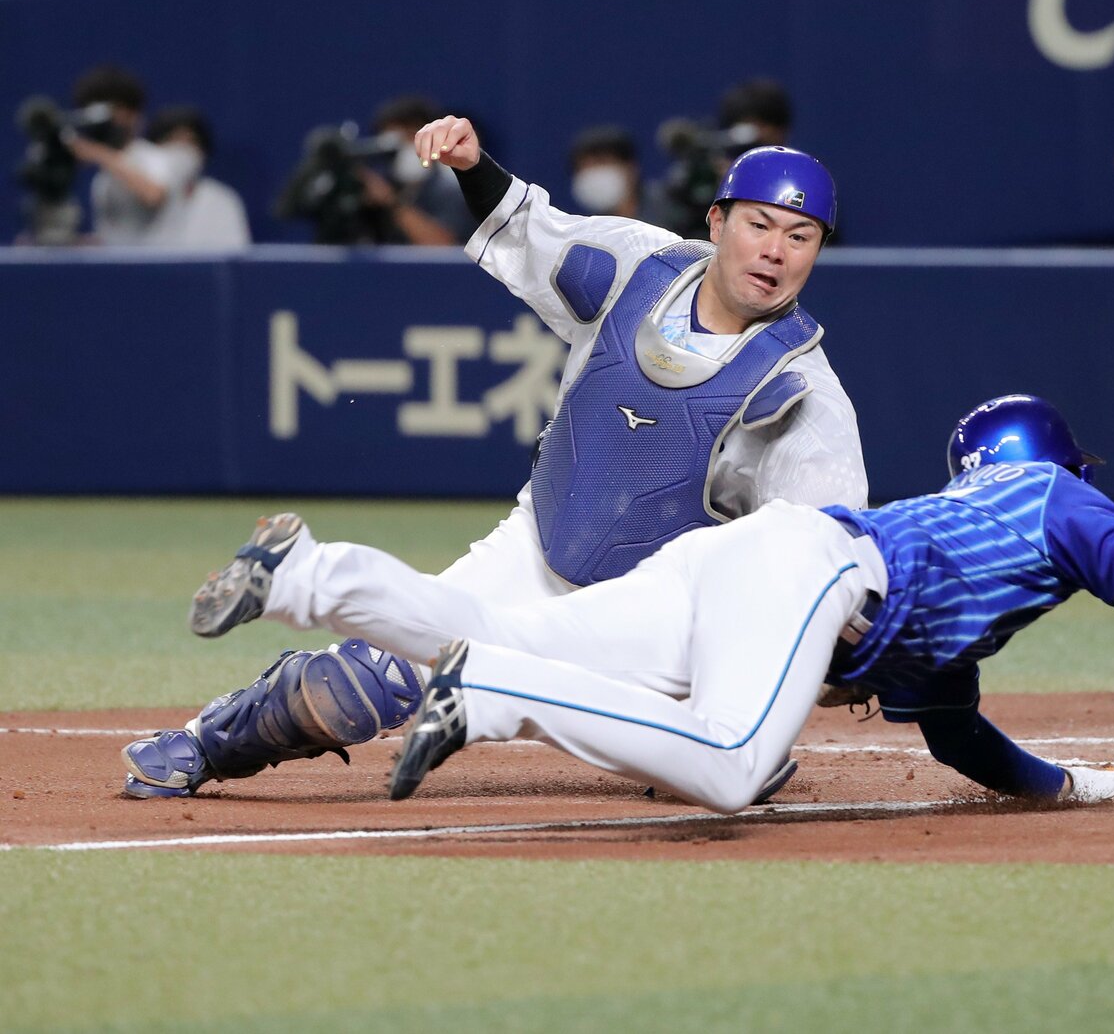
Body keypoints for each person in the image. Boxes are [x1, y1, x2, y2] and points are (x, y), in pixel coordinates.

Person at [120, 123, 867, 800]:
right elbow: (530, 229)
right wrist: (472, 165)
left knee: (714, 772)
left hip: (651, 625)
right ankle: (202, 743)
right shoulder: (637, 267)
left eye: (800, 237)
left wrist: (835, 656)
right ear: (717, 221)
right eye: (760, 224)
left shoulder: (803, 393)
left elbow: (821, 560)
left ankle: (714, 731)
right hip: (538, 548)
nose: (774, 250)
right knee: (362, 687)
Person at [388, 395, 1114, 811]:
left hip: (745, 565)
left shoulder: (950, 562)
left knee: (513, 627)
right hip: (807, 569)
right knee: (733, 767)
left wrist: (1068, 786)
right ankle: (485, 697)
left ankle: (312, 580)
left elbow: (958, 739)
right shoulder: (1063, 501)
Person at [64, 65, 201, 246]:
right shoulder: (104, 177)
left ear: (132, 114)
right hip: (121, 271)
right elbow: (117, 237)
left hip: (160, 269)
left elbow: (154, 194)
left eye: (114, 110)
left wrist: (98, 153)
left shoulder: (161, 156)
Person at [358, 96, 475, 245]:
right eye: (395, 141)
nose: (407, 146)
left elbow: (443, 246)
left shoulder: (453, 191)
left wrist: (391, 202)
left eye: (412, 136)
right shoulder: (376, 188)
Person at [144, 106, 251, 249]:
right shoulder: (132, 193)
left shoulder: (223, 200)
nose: (182, 150)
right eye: (172, 141)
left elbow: (236, 256)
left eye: (190, 142)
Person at [568, 124, 644, 219]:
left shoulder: (666, 208)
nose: (593, 174)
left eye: (601, 162)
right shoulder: (585, 230)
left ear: (630, 167)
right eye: (584, 167)